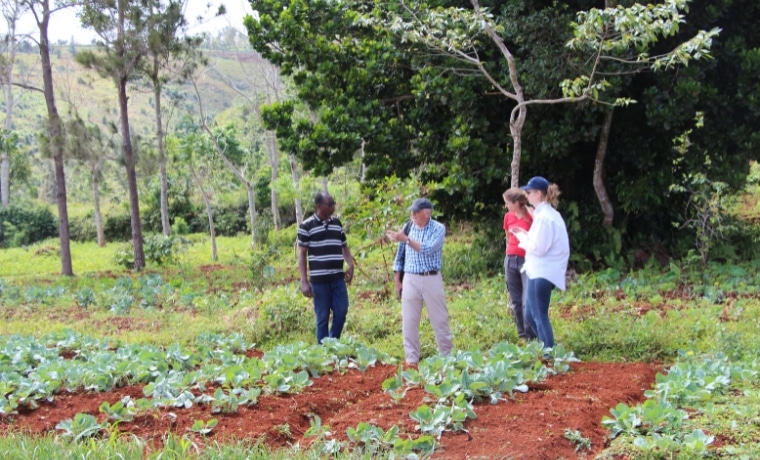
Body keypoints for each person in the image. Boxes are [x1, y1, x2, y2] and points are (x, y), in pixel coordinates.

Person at [386, 198, 453, 366]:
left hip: (431, 278)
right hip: (410, 278)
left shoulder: (438, 228)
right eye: (412, 212)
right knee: (409, 321)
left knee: (440, 320)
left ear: (427, 213)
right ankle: (411, 360)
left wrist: (406, 239)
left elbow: (428, 249)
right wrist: (397, 281)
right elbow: (399, 256)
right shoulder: (408, 227)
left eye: (416, 212)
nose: (413, 215)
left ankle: (448, 358)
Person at [510, 177, 569, 350]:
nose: (526, 196)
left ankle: (549, 352)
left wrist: (521, 236)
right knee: (529, 314)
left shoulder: (544, 218)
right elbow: (539, 243)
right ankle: (546, 347)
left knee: (539, 315)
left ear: (538, 193)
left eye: (529, 192)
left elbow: (540, 248)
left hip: (543, 271)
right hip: (538, 270)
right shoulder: (545, 215)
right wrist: (524, 234)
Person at [298, 192, 355, 344]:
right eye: (330, 204)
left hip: (337, 278)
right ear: (319, 206)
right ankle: (323, 351)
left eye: (333, 203)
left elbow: (344, 247)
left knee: (342, 311)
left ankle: (332, 343)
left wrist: (350, 264)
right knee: (322, 317)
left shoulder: (337, 223)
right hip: (319, 281)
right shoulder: (306, 226)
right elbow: (302, 255)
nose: (333, 207)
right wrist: (304, 281)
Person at [502, 187, 536, 341]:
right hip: (510, 258)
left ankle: (531, 334)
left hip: (527, 259)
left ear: (516, 203)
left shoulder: (531, 216)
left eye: (508, 203)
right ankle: (522, 334)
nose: (506, 206)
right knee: (515, 300)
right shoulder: (508, 217)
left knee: (526, 300)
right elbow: (508, 237)